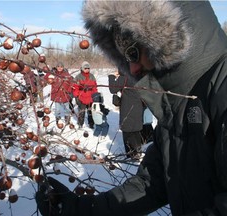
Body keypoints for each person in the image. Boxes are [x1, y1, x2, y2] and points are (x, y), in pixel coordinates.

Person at [36, 1, 227, 216]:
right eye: (124, 57)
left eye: (133, 52)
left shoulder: (221, 88)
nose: (132, 68)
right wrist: (82, 210)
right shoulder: (173, 105)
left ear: (165, 34)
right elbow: (151, 184)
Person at [108, 70, 144, 160]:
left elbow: (113, 89)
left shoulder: (125, 77)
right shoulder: (140, 77)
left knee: (128, 132)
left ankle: (131, 156)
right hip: (138, 108)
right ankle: (137, 152)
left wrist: (112, 76)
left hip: (127, 109)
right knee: (136, 131)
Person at [73, 61, 98, 128]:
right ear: (82, 68)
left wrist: (95, 96)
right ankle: (80, 124)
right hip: (82, 97)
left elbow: (95, 87)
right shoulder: (78, 77)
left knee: (91, 112)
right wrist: (77, 96)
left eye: (88, 68)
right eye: (85, 68)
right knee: (81, 112)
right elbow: (75, 88)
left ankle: (91, 124)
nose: (87, 69)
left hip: (90, 98)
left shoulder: (92, 77)